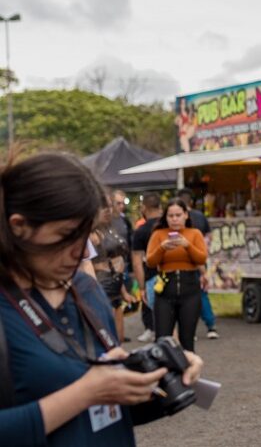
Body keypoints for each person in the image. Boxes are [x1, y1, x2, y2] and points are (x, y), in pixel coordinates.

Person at [0, 152, 202, 446]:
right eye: (67, 234)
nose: (81, 250)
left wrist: (155, 381)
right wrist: (86, 393)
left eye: (88, 234)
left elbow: (105, 413)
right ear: (20, 227)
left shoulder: (86, 291)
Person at [146, 200, 208, 353]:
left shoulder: (194, 233)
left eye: (178, 215)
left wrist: (187, 245)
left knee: (187, 340)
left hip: (190, 290)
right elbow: (150, 262)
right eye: (170, 216)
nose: (174, 219)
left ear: (186, 215)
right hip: (166, 290)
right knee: (162, 340)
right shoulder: (158, 234)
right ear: (165, 217)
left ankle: (188, 375)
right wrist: (162, 248)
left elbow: (202, 259)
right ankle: (165, 375)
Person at [89, 203, 134, 344]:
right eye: (103, 206)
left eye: (109, 206)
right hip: (101, 287)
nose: (107, 210)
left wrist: (124, 291)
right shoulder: (91, 234)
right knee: (107, 339)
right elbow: (85, 264)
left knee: (118, 340)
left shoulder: (111, 228)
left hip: (116, 286)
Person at [176, 189, 218, 340]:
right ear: (191, 202)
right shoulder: (200, 216)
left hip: (184, 261)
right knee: (202, 293)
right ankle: (211, 325)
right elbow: (210, 237)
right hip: (200, 258)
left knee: (186, 296)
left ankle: (190, 330)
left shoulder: (177, 220)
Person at [131, 193, 163, 343]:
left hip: (152, 276)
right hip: (176, 273)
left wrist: (141, 287)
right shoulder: (170, 226)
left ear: (144, 208)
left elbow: (137, 262)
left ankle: (154, 331)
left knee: (155, 309)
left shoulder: (141, 231)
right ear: (160, 207)